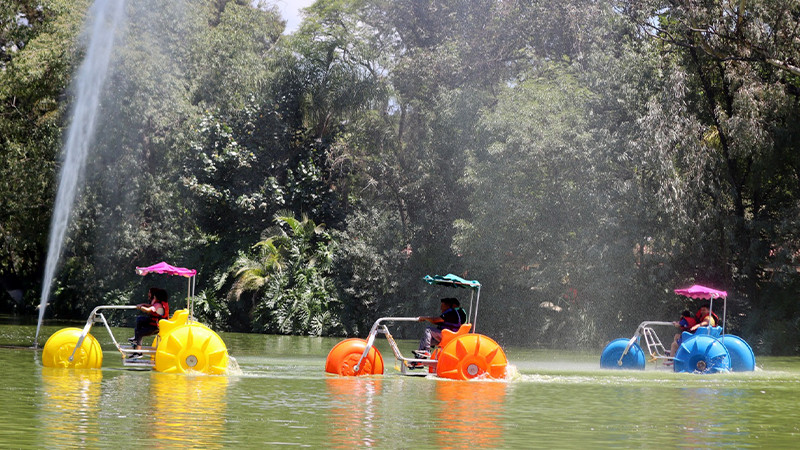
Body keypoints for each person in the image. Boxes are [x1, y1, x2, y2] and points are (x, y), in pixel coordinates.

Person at [128, 287, 169, 358]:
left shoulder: (158, 305)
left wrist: (140, 307)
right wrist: (142, 304)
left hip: (156, 327)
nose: (154, 296)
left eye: (155, 295)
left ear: (158, 296)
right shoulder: (159, 303)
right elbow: (150, 306)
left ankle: (139, 353)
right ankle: (136, 339)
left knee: (139, 333)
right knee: (140, 319)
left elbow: (148, 310)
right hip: (154, 324)